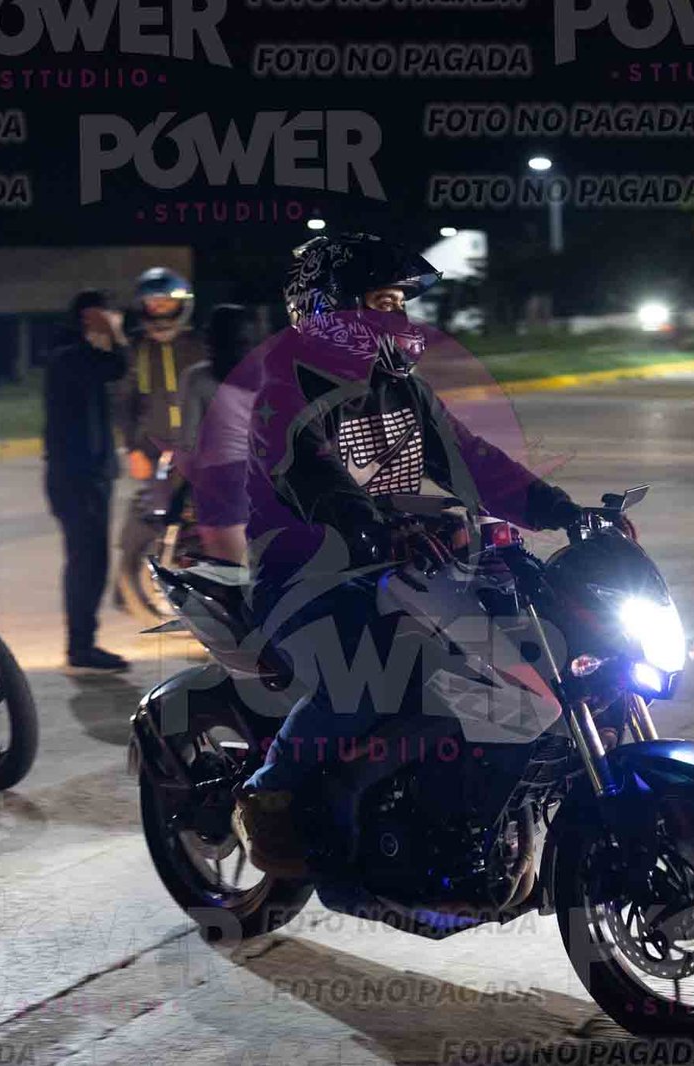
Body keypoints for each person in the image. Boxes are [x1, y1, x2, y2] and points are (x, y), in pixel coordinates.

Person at [231, 233, 584, 876]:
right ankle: (270, 791)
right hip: (307, 577)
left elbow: (473, 461)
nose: (396, 317)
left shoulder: (402, 388)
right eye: (381, 302)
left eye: (399, 304)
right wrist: (375, 527)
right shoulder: (285, 389)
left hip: (402, 567)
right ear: (329, 308)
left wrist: (563, 511)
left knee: (515, 649)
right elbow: (312, 473)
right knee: (364, 673)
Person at [44, 290, 131, 674]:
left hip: (90, 475)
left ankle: (83, 643)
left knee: (91, 561)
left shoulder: (76, 356)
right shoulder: (69, 357)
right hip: (76, 478)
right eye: (103, 317)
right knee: (87, 563)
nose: (109, 322)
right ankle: (81, 646)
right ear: (86, 319)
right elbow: (117, 366)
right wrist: (117, 335)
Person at [177, 303, 258, 564]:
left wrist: (179, 491)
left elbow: (187, 441)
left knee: (225, 571)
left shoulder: (196, 378)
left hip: (218, 479)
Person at [120, 268, 204, 482]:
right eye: (154, 304)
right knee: (156, 501)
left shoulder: (201, 347)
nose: (160, 309)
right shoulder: (137, 350)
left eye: (167, 303)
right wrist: (134, 450)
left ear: (182, 305)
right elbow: (125, 404)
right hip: (153, 453)